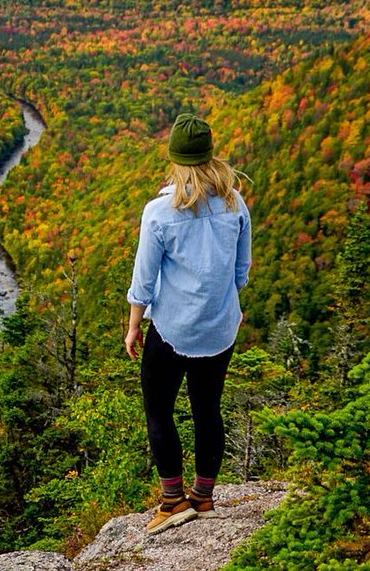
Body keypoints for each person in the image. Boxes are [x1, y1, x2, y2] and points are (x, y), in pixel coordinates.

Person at [125, 112, 251, 535]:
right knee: (207, 409)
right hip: (219, 327)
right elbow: (240, 270)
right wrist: (232, 304)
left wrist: (133, 326)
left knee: (159, 409)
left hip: (173, 329)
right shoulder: (235, 203)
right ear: (210, 156)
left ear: (175, 160)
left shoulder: (160, 212)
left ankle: (173, 501)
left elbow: (143, 280)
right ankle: (204, 496)